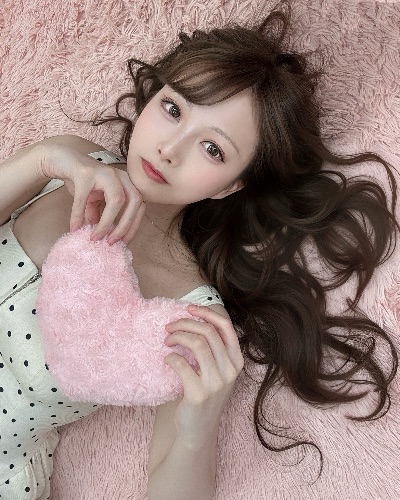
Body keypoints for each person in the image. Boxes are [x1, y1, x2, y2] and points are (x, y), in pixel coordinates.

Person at [0, 5, 398, 500]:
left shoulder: (192, 315)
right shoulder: (67, 161)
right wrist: (41, 160)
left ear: (232, 185)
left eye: (213, 149)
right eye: (173, 109)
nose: (170, 149)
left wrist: (196, 428)